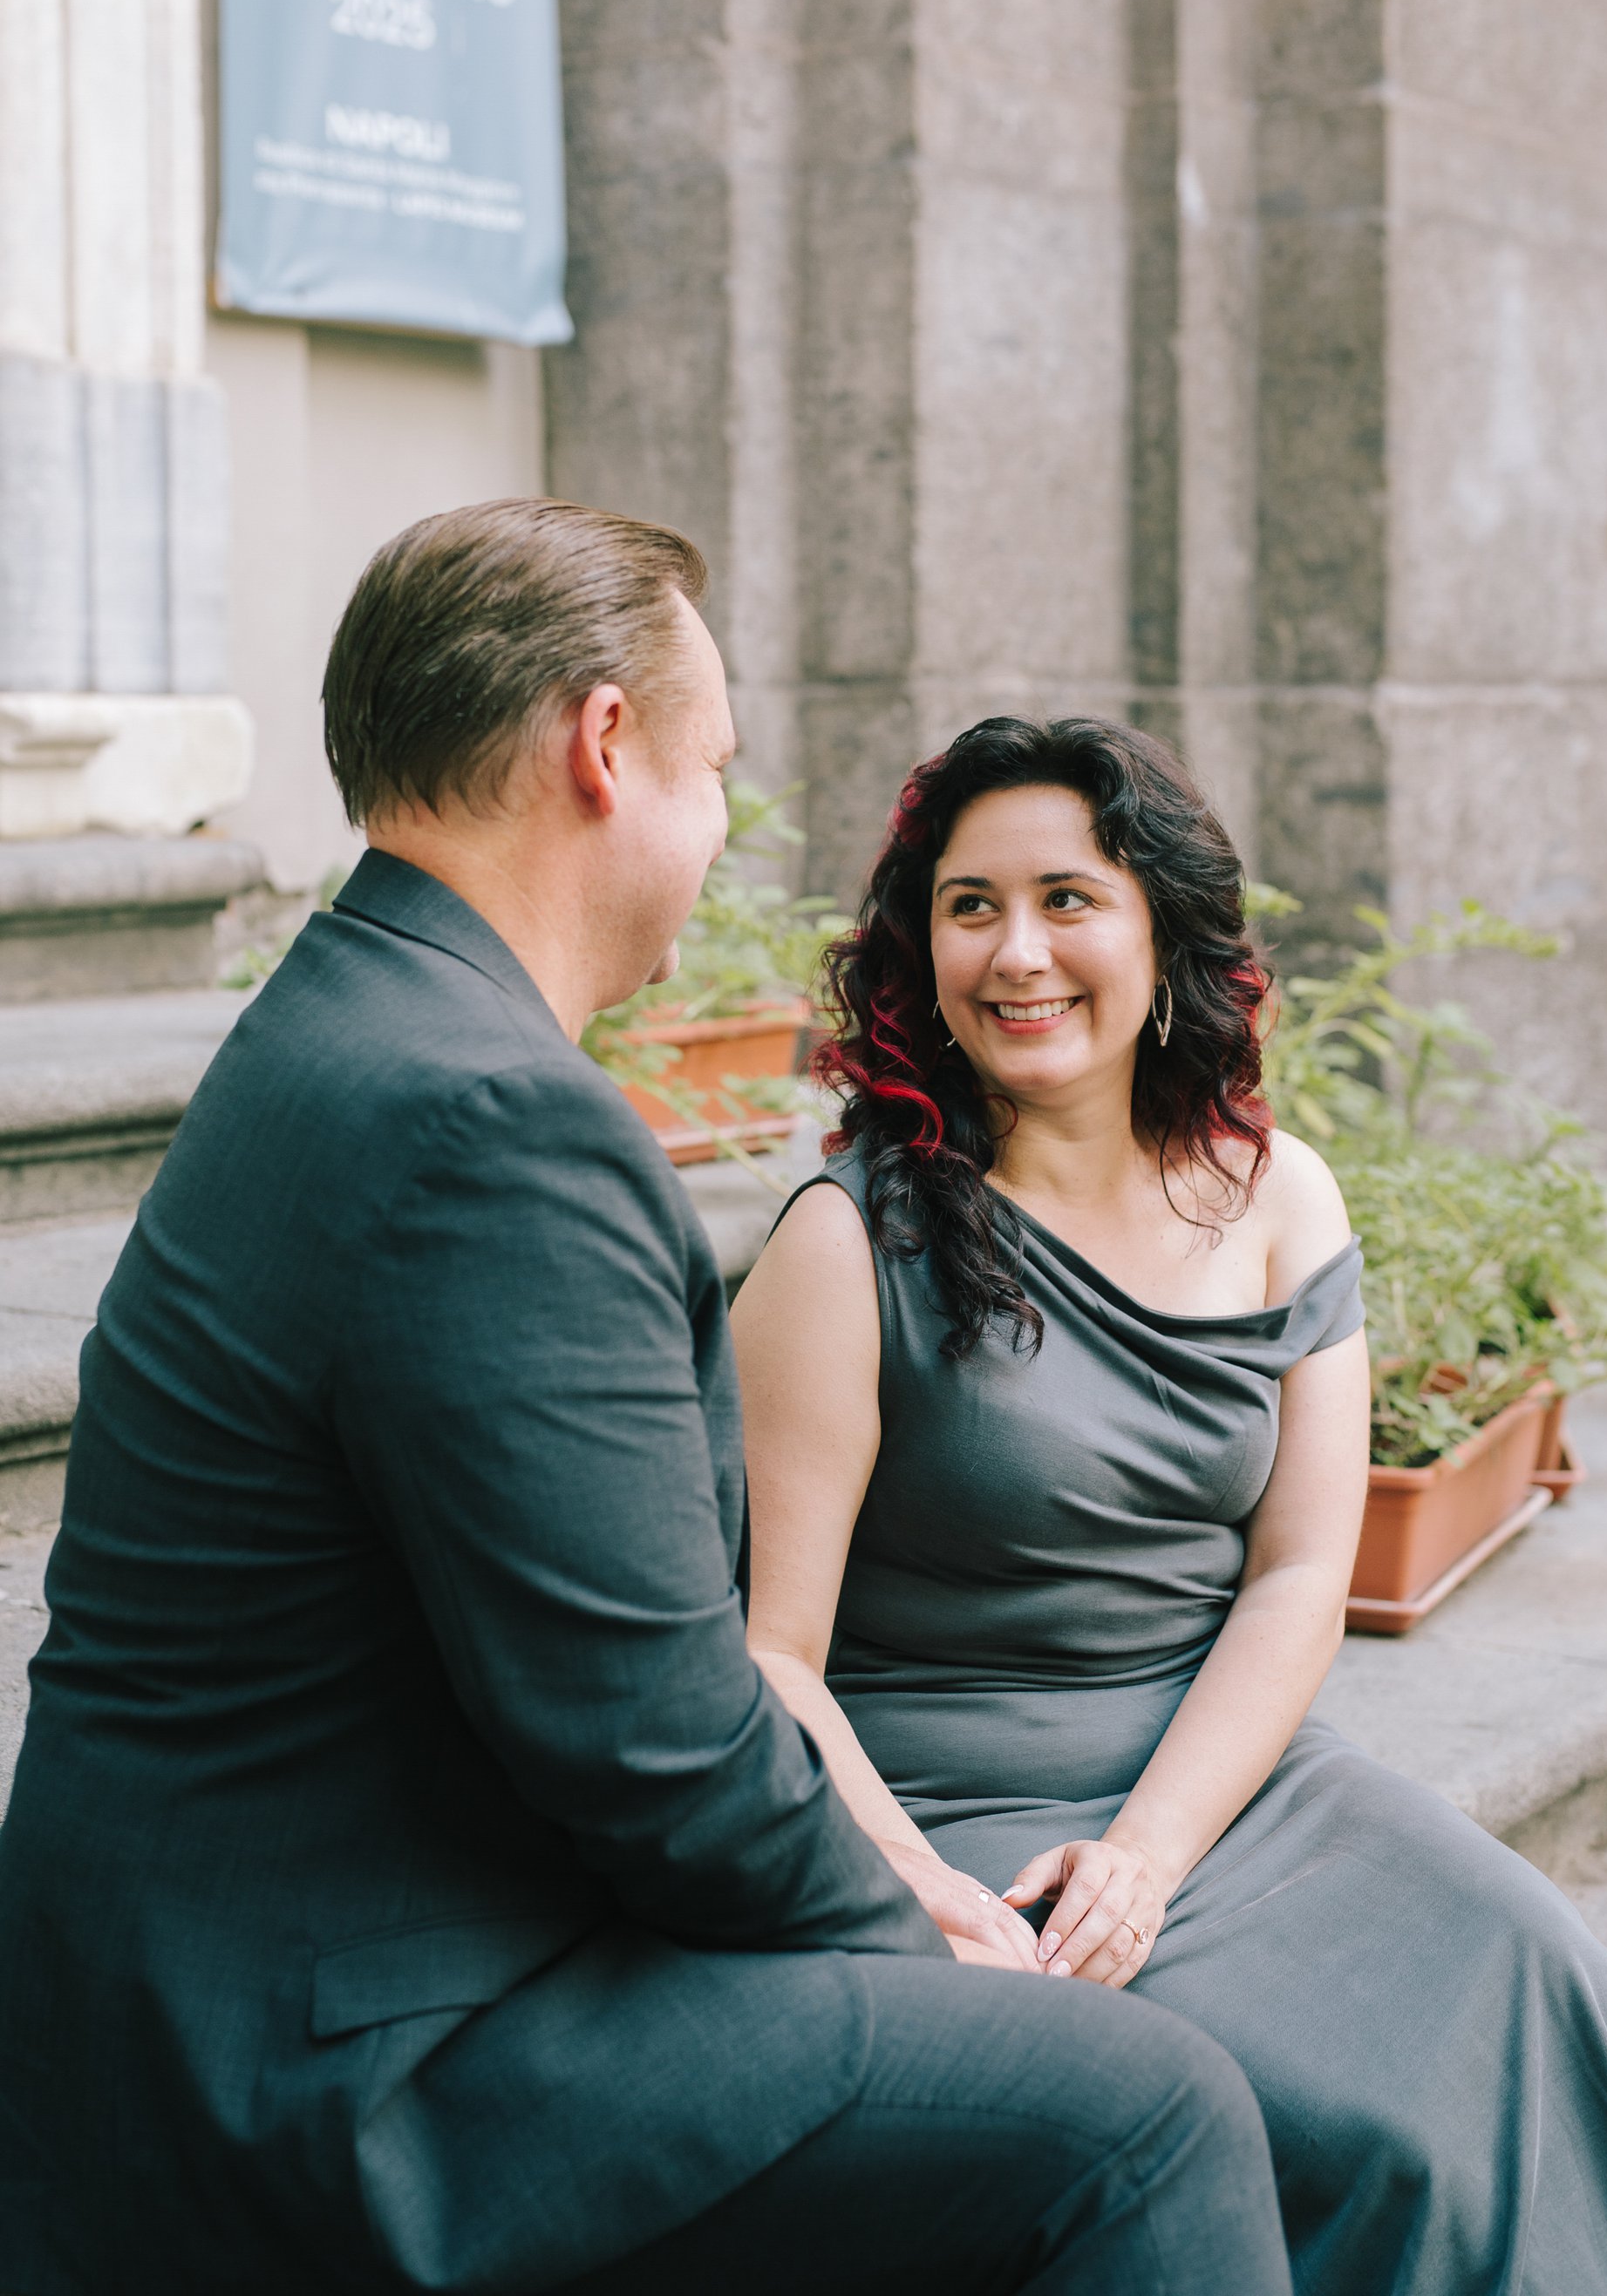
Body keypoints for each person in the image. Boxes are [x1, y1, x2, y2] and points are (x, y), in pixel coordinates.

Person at [0, 506, 1292, 2296]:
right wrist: (913, 1939)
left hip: (217, 1978)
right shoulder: (497, 1125)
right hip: (349, 2064)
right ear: (605, 747)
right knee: (1142, 2112)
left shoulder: (345, 1020)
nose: (721, 830)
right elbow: (654, 1750)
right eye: (719, 773)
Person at [733, 713, 1607, 2296]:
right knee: (1362, 2131)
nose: (1017, 953)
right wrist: (918, 1892)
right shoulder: (846, 1244)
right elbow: (771, 1658)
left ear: (1163, 933)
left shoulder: (1280, 1194)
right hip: (969, 1818)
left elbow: (1301, 1573)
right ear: (921, 949)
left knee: (1551, 1987)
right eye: (969, 907)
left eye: (1068, 898)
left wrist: (1152, 1852)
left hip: (1231, 1784)